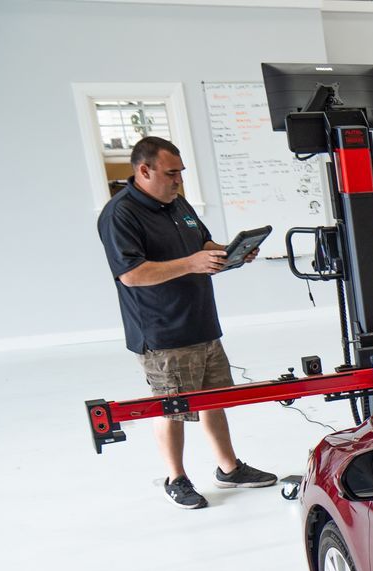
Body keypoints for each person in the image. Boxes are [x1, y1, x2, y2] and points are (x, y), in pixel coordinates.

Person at [97, 136, 276, 509]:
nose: (179, 180)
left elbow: (203, 243)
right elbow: (131, 274)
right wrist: (192, 263)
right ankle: (175, 477)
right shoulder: (120, 214)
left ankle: (229, 469)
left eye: (180, 172)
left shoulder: (177, 203)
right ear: (143, 170)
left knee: (214, 399)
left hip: (202, 322)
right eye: (171, 173)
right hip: (162, 331)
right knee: (170, 407)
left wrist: (229, 253)